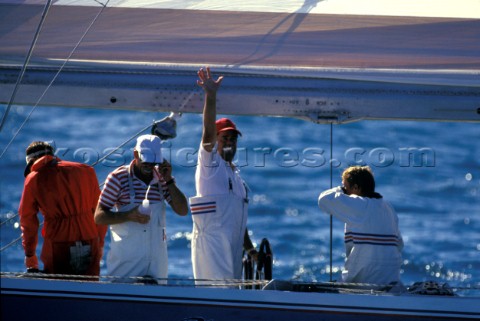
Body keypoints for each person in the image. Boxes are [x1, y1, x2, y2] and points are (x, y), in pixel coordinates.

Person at [190, 67, 257, 281]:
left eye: (232, 139)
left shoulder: (237, 177)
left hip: (233, 253)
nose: (229, 143)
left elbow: (237, 220)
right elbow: (207, 134)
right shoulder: (210, 164)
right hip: (212, 249)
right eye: (224, 138)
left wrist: (250, 249)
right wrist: (211, 96)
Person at [95, 134, 188, 282]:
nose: (149, 166)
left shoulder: (162, 178)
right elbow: (99, 216)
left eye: (153, 162)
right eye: (146, 160)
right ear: (135, 154)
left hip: (156, 266)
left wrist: (169, 180)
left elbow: (183, 211)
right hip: (126, 265)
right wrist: (128, 215)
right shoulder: (118, 178)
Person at [19, 141, 107, 276]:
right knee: (89, 291)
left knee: (58, 289)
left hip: (58, 241)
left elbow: (28, 220)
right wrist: (100, 243)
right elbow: (99, 210)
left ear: (31, 161)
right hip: (89, 237)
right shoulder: (86, 170)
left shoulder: (33, 178)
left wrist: (30, 254)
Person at [318, 166, 403, 285]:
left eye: (345, 187)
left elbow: (323, 200)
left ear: (356, 187)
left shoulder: (359, 204)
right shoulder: (388, 207)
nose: (344, 191)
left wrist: (340, 190)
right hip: (391, 281)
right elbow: (399, 244)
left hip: (365, 282)